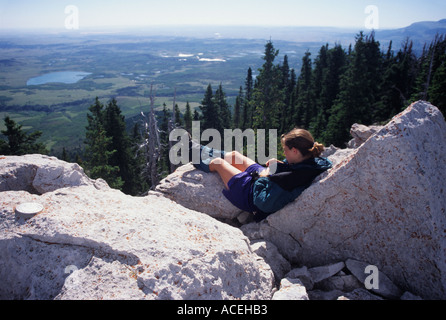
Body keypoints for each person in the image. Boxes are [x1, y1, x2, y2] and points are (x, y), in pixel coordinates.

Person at [190, 128, 332, 222]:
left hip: (250, 194)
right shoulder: (313, 162)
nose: (284, 153)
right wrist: (281, 166)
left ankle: (191, 155)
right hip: (263, 179)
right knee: (235, 155)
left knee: (218, 163)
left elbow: (263, 203)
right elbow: (290, 171)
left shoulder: (293, 180)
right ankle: (195, 147)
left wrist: (264, 176)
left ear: (294, 150)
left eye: (285, 150)